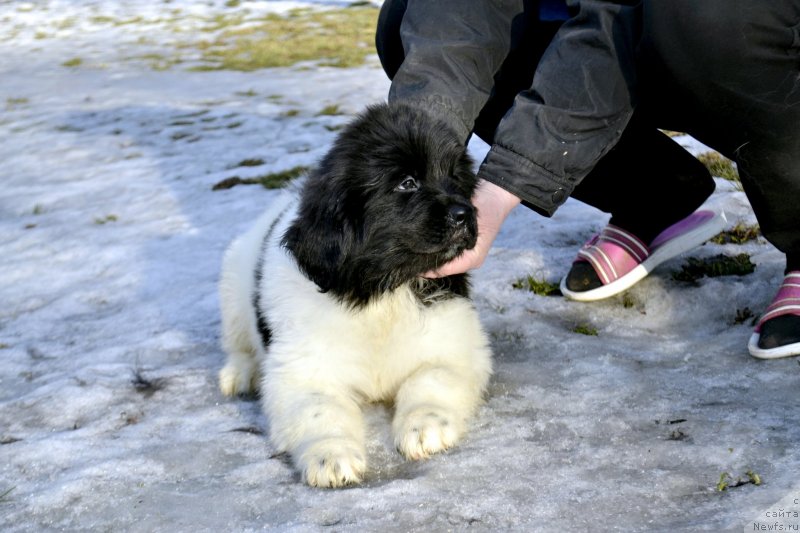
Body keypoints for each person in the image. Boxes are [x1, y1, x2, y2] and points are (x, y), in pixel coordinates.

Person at [375, 0, 800, 358]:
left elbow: (609, 24)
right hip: (621, 28)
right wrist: (417, 168)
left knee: (702, 14)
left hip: (745, 25)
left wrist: (501, 191)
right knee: (405, 26)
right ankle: (656, 195)